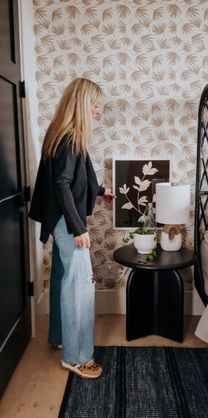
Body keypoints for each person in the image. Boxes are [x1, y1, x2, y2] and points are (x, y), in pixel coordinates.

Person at [29, 78, 115, 379]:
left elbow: (74, 177)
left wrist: (101, 189)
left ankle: (59, 337)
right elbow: (62, 183)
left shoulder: (62, 134)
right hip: (68, 222)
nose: (98, 111)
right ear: (81, 104)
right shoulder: (69, 138)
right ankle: (77, 357)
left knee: (64, 278)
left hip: (59, 219)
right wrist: (79, 228)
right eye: (95, 104)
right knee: (80, 287)